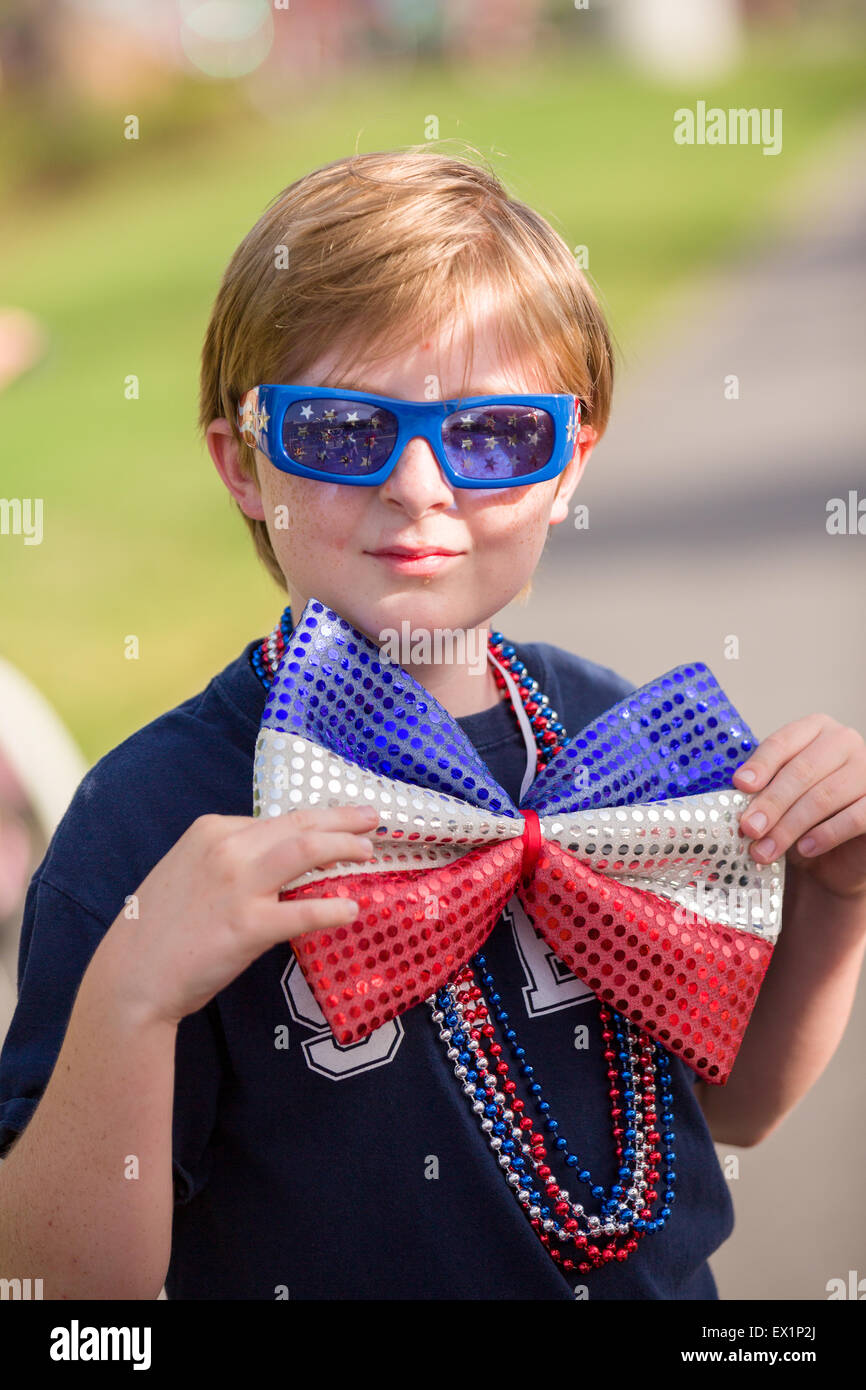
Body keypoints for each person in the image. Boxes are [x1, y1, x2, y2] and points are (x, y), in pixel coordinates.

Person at [0, 147, 864, 1301]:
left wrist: (831, 901)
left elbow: (729, 1103)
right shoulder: (154, 820)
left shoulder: (630, 749)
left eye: (496, 434)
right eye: (344, 431)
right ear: (244, 464)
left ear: (570, 466)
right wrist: (134, 995)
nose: (418, 484)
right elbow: (59, 1296)